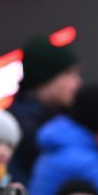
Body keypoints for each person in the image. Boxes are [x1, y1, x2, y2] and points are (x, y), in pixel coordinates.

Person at [8, 36, 81, 184]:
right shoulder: (18, 125)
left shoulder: (66, 115)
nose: (77, 82)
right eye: (69, 74)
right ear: (46, 78)